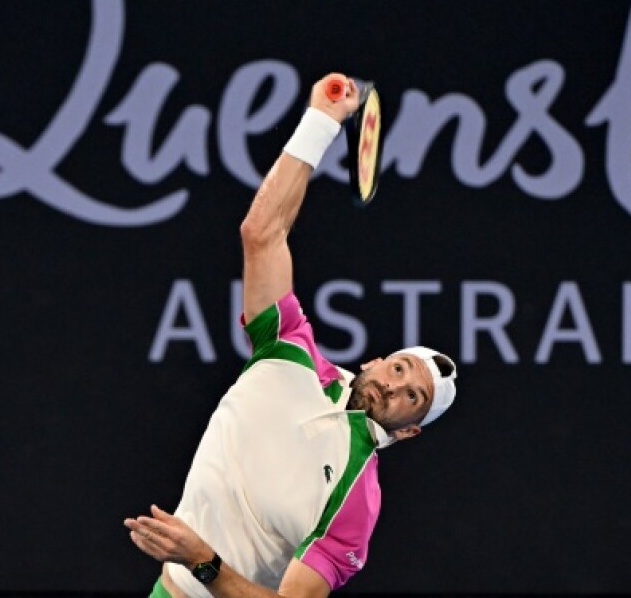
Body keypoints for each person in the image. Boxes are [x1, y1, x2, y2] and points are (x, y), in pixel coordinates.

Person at [124, 73, 458, 598]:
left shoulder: (357, 503)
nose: (394, 388)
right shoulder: (289, 351)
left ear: (410, 429)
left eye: (412, 396)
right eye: (399, 369)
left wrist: (203, 561)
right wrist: (322, 121)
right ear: (376, 360)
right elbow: (261, 235)